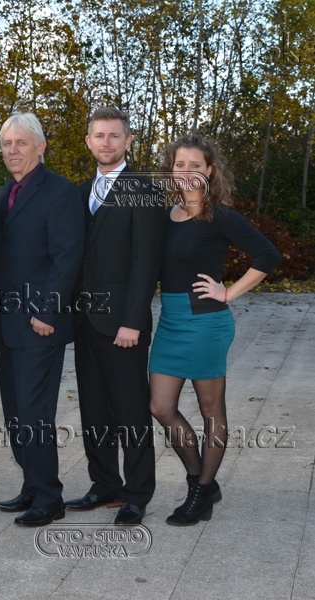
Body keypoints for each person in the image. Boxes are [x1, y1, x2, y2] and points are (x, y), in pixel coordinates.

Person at [149, 134, 281, 525]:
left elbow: (268, 255)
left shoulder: (219, 215)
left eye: (195, 165)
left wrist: (229, 293)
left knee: (211, 410)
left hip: (206, 321)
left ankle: (201, 492)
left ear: (209, 170)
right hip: (171, 321)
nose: (186, 171)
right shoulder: (166, 215)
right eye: (180, 164)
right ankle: (200, 480)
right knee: (160, 407)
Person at [65, 107, 165, 525]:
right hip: (86, 320)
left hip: (123, 324)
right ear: (88, 141)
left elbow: (146, 262)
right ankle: (104, 485)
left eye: (114, 136)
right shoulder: (78, 192)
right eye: (99, 136)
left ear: (128, 141)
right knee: (93, 409)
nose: (106, 143)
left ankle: (136, 494)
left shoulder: (142, 190)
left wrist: (133, 321)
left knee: (131, 411)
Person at [0, 113, 84, 527]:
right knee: (15, 413)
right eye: (7, 143)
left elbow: (67, 257)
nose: (12, 150)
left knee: (34, 414)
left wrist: (48, 311)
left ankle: (49, 497)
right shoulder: (2, 193)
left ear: (41, 147)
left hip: (39, 324)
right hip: (5, 324)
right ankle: (31, 484)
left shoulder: (60, 192)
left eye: (21, 142)